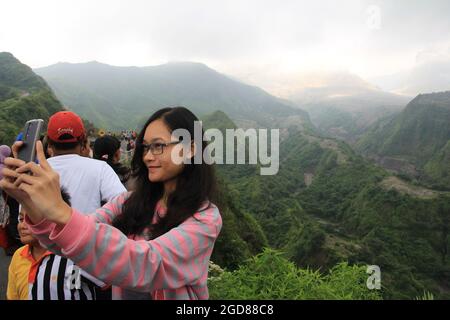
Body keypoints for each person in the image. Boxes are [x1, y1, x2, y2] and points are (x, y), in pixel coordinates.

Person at [1, 106, 222, 300]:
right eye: (145, 147)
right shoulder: (128, 201)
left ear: (191, 149)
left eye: (158, 146)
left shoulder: (204, 219)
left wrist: (61, 210)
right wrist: (27, 200)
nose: (147, 157)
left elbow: (146, 264)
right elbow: (66, 241)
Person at [7, 189, 105, 300]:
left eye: (30, 219)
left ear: (52, 219)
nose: (22, 225)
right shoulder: (19, 256)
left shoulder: (70, 259)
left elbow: (74, 291)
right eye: (20, 219)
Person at [45, 111, 126, 213]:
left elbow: (23, 219)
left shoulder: (35, 171)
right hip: (90, 227)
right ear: (83, 140)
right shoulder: (100, 168)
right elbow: (124, 206)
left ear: (48, 142)